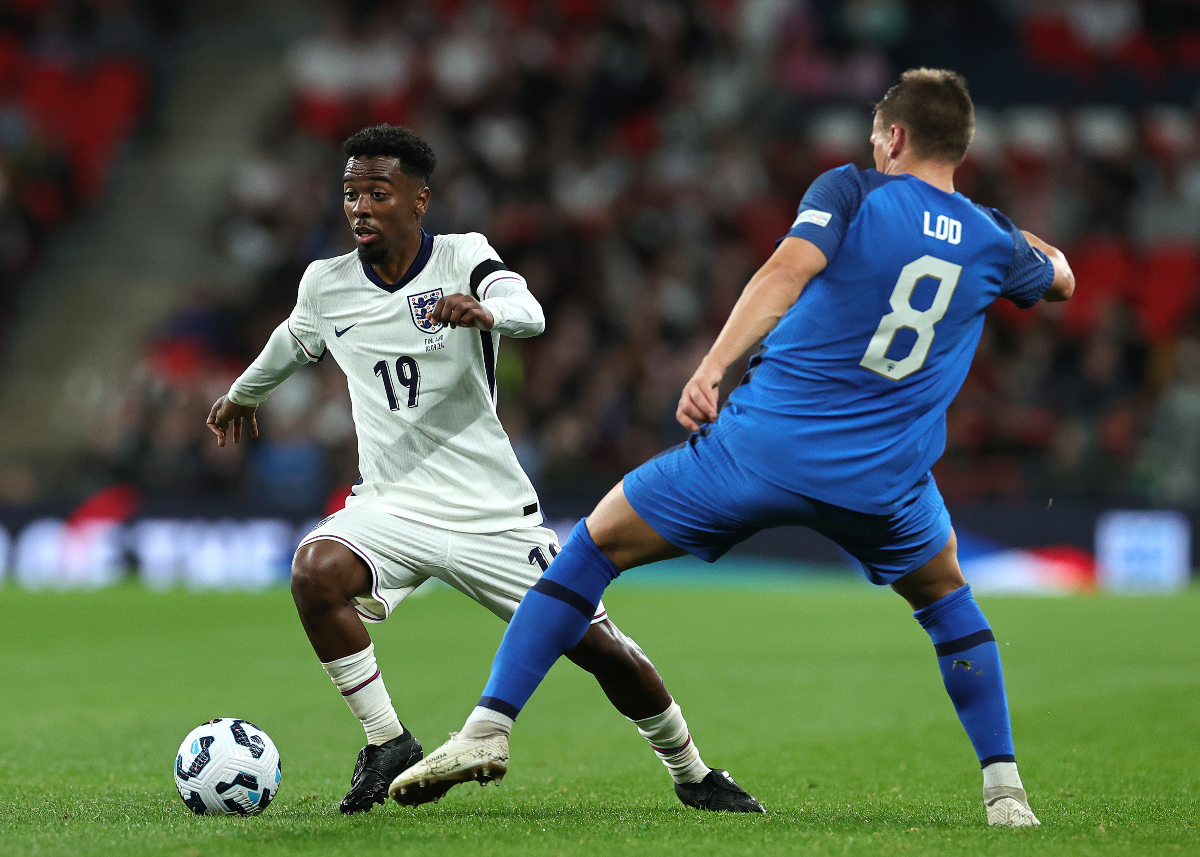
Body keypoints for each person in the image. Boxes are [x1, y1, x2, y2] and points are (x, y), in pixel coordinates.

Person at [393, 70, 1075, 828]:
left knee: (591, 546)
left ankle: (489, 726)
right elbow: (1062, 280)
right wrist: (1015, 235)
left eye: (877, 136)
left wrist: (712, 367)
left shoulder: (852, 190)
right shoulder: (991, 238)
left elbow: (787, 268)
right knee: (949, 604)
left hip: (762, 450)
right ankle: (1006, 792)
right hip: (888, 482)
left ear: (895, 137)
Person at [206, 124, 764, 815]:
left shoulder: (463, 256)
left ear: (418, 201)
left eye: (378, 192)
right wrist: (242, 394)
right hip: (392, 504)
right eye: (350, 193)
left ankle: (693, 771)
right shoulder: (327, 284)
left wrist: (486, 310)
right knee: (315, 571)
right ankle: (388, 740)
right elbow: (291, 340)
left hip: (491, 512)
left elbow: (528, 311)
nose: (359, 207)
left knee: (599, 647)